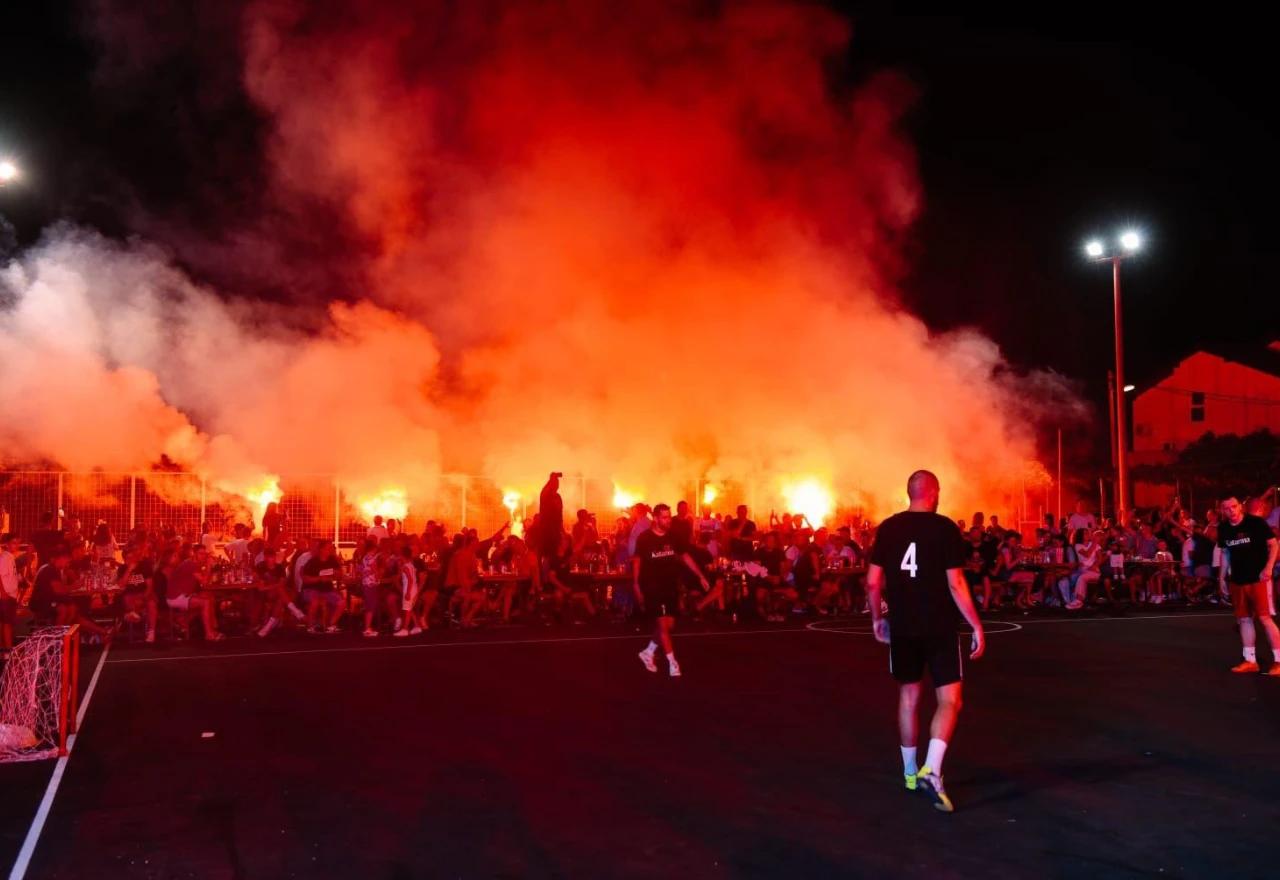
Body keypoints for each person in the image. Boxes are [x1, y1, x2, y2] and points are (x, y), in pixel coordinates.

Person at [866, 470, 985, 813]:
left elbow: (873, 582)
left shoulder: (888, 528)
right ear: (932, 492)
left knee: (908, 697)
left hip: (903, 626)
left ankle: (908, 772)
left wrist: (877, 618)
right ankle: (932, 769)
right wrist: (975, 624)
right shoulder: (945, 528)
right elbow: (956, 583)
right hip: (940, 626)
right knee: (950, 698)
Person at [634, 504, 710, 678]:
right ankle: (673, 663)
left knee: (669, 625)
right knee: (662, 625)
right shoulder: (644, 538)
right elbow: (637, 561)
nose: (668, 520)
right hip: (652, 586)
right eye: (664, 517)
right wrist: (636, 585)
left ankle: (648, 652)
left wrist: (700, 576)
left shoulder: (673, 536)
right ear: (655, 518)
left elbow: (685, 556)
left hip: (670, 586)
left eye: (669, 517)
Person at [1217, 497, 1280, 675]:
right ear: (1222, 510)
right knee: (1244, 619)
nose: (1232, 511)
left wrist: (1268, 567)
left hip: (1258, 579)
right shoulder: (1223, 528)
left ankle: (1279, 661)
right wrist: (1221, 577)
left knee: (1265, 618)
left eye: (1234, 506)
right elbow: (1226, 553)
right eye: (1227, 508)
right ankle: (1250, 660)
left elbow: (1274, 545)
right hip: (1238, 580)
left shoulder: (1256, 523)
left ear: (1240, 507)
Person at [165, 544, 224, 641]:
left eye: (205, 554)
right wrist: (209, 566)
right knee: (206, 602)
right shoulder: (191, 565)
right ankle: (209, 634)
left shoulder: (191, 563)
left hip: (184, 594)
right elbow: (204, 582)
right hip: (175, 597)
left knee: (209, 596)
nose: (203, 556)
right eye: (201, 554)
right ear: (194, 554)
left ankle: (212, 628)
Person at [302, 540, 345, 634]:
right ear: (321, 549)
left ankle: (330, 624)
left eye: (331, 548)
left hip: (327, 589)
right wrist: (319, 579)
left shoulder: (332, 560)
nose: (330, 550)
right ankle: (310, 626)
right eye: (328, 548)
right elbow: (305, 578)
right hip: (312, 589)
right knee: (315, 602)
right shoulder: (313, 562)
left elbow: (340, 575)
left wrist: (336, 573)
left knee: (341, 603)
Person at [0, 533, 21, 653]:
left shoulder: (10, 557)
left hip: (10, 595)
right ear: (7, 544)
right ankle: (8, 651)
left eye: (18, 543)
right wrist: (3, 593)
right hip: (6, 595)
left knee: (5, 623)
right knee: (7, 624)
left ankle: (4, 650)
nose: (16, 545)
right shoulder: (4, 558)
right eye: (14, 543)